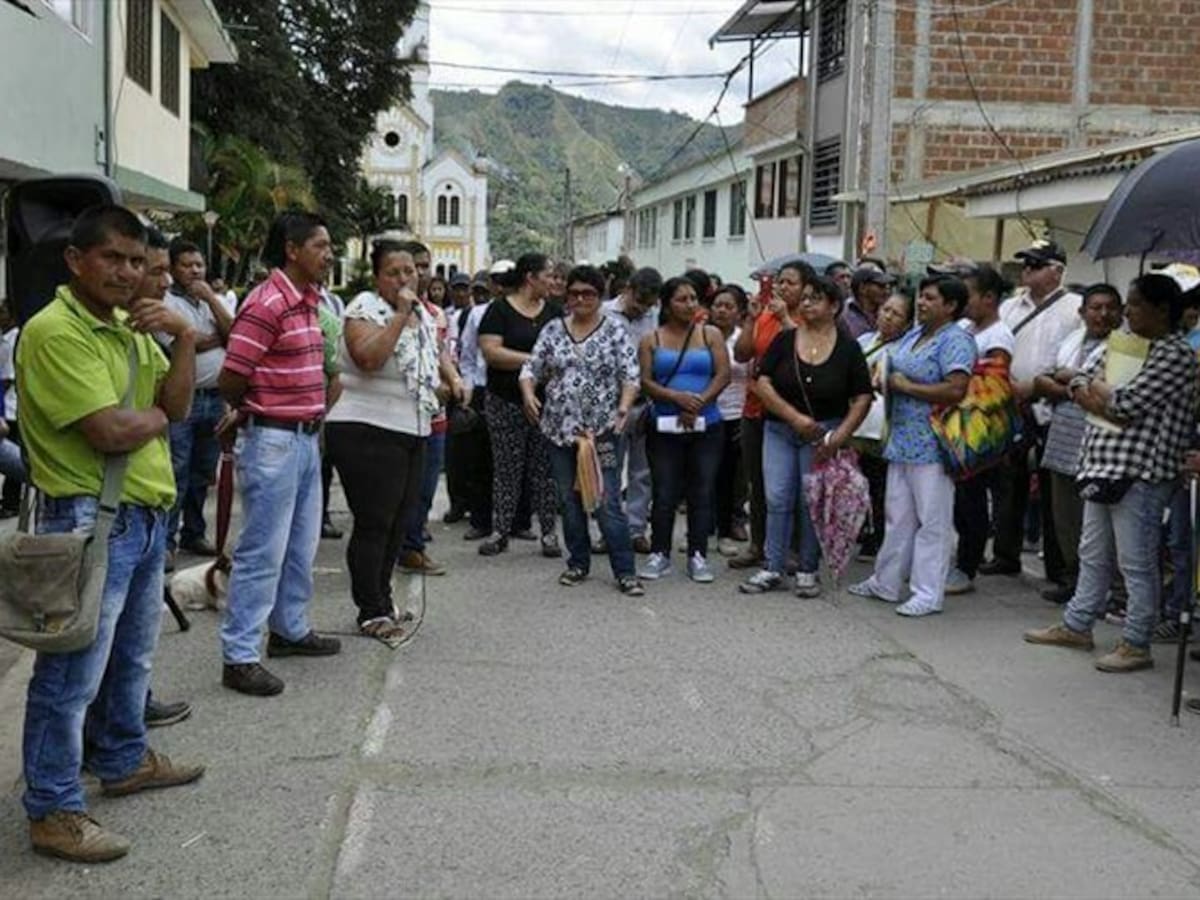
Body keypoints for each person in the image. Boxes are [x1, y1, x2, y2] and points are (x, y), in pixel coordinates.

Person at [18, 206, 204, 862]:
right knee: (70, 674)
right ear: (76, 261)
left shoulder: (130, 328)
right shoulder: (55, 331)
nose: (128, 273)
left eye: (136, 260)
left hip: (142, 514)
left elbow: (177, 406)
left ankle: (123, 758)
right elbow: (111, 431)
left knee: (132, 659)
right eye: (113, 259)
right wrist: (152, 413)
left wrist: (182, 341)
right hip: (88, 520)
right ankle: (53, 808)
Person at [1026, 274, 1198, 672]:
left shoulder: (1175, 354)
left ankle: (1137, 641)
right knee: (1093, 554)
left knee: (1135, 562)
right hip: (1101, 461)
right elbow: (1083, 376)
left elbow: (1124, 404)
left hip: (1142, 471)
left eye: (1135, 304)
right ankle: (1077, 624)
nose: (1127, 311)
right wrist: (1091, 389)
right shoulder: (1123, 345)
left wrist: (1090, 390)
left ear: (1161, 310)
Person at [217, 211, 343, 697]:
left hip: (307, 438)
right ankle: (240, 655)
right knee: (262, 550)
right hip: (272, 439)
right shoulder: (266, 303)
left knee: (300, 544)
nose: (328, 255)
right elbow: (232, 375)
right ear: (292, 249)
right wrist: (251, 408)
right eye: (321, 245)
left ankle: (289, 629)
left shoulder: (309, 302)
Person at [325, 241, 440, 645]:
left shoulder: (423, 315)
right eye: (394, 272)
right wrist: (401, 316)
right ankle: (369, 610)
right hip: (365, 429)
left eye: (410, 271)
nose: (405, 279)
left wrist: (453, 380)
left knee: (399, 522)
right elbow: (368, 358)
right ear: (377, 278)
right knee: (374, 523)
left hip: (412, 428)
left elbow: (428, 360)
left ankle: (384, 599)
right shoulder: (364, 309)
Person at [849, 275, 976, 617]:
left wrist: (906, 387)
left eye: (931, 299)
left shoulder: (955, 340)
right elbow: (895, 369)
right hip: (901, 437)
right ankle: (885, 581)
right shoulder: (917, 334)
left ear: (950, 306)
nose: (921, 303)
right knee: (897, 515)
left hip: (934, 442)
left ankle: (927, 592)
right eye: (922, 297)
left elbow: (955, 389)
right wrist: (884, 377)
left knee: (932, 520)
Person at [740, 276, 872, 596]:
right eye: (806, 297)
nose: (807, 303)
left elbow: (862, 397)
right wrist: (793, 416)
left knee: (810, 501)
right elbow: (762, 382)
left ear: (834, 306)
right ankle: (772, 566)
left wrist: (839, 436)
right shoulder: (786, 340)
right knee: (777, 497)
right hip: (779, 430)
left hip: (823, 436)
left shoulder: (848, 348)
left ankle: (807, 569)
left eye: (816, 298)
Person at [519, 264, 644, 595]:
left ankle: (625, 571)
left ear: (600, 295)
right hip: (560, 431)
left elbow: (631, 375)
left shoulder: (615, 330)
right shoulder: (553, 330)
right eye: (574, 293)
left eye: (588, 293)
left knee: (605, 500)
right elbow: (531, 367)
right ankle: (577, 562)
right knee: (569, 499)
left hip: (601, 432)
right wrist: (529, 393)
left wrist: (623, 407)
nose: (581, 299)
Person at [982, 240, 1081, 578]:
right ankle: (1005, 554)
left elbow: (1077, 357)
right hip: (1012, 403)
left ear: (1056, 271)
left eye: (1036, 265)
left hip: (1054, 406)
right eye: (1025, 264)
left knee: (1054, 490)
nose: (1027, 271)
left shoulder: (1075, 308)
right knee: (1008, 481)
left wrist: (1040, 385)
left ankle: (1058, 566)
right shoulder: (1010, 307)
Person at [637, 276, 731, 582]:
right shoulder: (652, 338)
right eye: (682, 299)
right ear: (666, 304)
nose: (690, 304)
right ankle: (659, 552)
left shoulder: (711, 334)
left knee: (701, 490)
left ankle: (698, 554)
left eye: (693, 298)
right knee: (664, 490)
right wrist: (676, 398)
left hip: (708, 425)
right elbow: (646, 382)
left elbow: (723, 374)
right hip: (664, 426)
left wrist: (699, 403)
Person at [1033, 284, 1121, 605]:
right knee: (1065, 520)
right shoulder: (1071, 341)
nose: (1102, 314)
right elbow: (1041, 380)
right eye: (1095, 308)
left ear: (1120, 312)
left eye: (1110, 307)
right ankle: (1072, 580)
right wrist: (1073, 385)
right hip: (1062, 441)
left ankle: (1100, 590)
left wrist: (1068, 380)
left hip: (1099, 447)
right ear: (1082, 313)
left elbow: (1105, 394)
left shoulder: (1124, 348)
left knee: (1095, 526)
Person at [730, 261, 815, 570]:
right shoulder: (764, 314)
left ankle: (791, 548)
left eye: (790, 282)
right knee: (759, 482)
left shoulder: (809, 318)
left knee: (790, 486)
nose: (782, 287)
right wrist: (752, 321)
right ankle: (758, 544)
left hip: (791, 412)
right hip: (755, 409)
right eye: (779, 282)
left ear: (807, 287)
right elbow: (741, 354)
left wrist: (785, 319)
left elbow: (808, 352)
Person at [477, 252, 562, 557]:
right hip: (504, 401)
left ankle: (549, 534)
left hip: (548, 404)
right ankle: (500, 531)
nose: (553, 281)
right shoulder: (499, 310)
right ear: (530, 278)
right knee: (506, 469)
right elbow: (492, 352)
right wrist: (535, 361)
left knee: (545, 470)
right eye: (548, 276)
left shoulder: (555, 312)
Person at [161, 240, 233, 569]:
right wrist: (213, 338)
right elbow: (187, 343)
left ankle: (194, 531)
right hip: (184, 401)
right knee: (177, 469)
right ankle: (166, 542)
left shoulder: (208, 301)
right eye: (187, 264)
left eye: (199, 264)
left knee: (203, 472)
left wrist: (211, 300)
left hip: (214, 398)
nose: (195, 270)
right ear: (173, 269)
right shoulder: (165, 302)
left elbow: (235, 333)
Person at [946, 265, 1016, 595]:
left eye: (968, 295)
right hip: (953, 425)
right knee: (958, 499)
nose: (961, 302)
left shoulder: (998, 336)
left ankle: (967, 566)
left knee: (972, 500)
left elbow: (992, 386)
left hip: (977, 429)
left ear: (989, 298)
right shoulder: (964, 327)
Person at [601, 266, 662, 554]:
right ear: (627, 290)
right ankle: (608, 530)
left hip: (643, 405)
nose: (642, 310)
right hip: (609, 406)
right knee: (609, 469)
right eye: (639, 302)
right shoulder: (602, 314)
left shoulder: (655, 318)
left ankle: (636, 529)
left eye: (648, 305)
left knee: (642, 472)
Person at [854, 291, 914, 559]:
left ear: (907, 322)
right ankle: (862, 530)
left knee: (883, 485)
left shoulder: (907, 349)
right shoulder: (865, 341)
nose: (887, 317)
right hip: (858, 423)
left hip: (885, 425)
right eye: (885, 310)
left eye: (896, 314)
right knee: (861, 481)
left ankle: (879, 537)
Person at [711, 284, 750, 556]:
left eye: (729, 306)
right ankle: (699, 530)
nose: (722, 311)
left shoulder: (743, 339)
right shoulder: (702, 336)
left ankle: (725, 530)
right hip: (706, 413)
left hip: (736, 414)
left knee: (729, 477)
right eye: (717, 305)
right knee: (701, 476)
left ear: (739, 312)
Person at [443, 272, 476, 524]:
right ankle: (457, 503)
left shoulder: (477, 316)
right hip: (453, 387)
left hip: (474, 385)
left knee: (474, 452)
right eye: (457, 289)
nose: (461, 293)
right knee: (455, 451)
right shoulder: (445, 316)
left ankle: (474, 503)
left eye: (465, 289)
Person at [0, 300, 21, 517]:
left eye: (3, 312)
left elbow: (7, 378)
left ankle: (11, 503)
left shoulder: (13, 340)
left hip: (11, 407)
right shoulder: (4, 340)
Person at [840, 266, 896, 339]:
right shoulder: (842, 314)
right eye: (881, 286)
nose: (886, 291)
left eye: (888, 287)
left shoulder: (887, 314)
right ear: (862, 288)